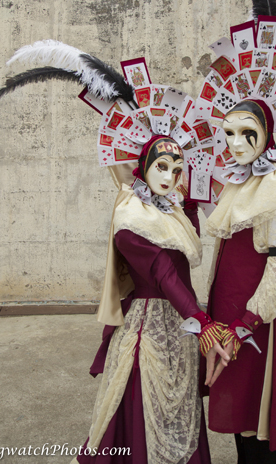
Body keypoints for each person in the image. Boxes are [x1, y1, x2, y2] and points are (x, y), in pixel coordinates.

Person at [73, 135, 228, 464]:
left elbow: (183, 255)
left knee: (178, 403)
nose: (169, 177)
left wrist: (188, 210)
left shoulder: (168, 207)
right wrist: (201, 322)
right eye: (161, 166)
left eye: (176, 170)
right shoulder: (130, 218)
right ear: (143, 166)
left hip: (181, 321)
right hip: (151, 324)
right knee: (145, 401)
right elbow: (163, 274)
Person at [204, 99, 276, 464]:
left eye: (246, 133)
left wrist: (245, 326)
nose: (235, 144)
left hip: (257, 321)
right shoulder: (240, 178)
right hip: (227, 313)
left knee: (263, 425)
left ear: (267, 131)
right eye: (229, 134)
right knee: (241, 420)